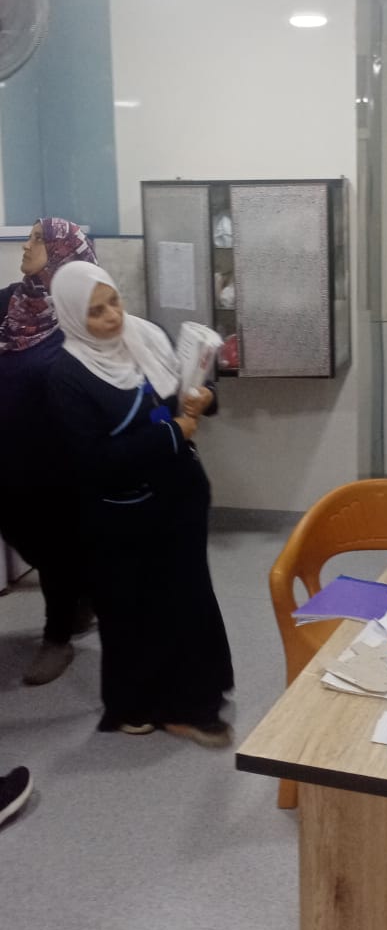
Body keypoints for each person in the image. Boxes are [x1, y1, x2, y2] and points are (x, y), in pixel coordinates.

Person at [48, 261, 234, 748]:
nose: (112, 316)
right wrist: (174, 432)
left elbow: (192, 391)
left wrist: (202, 399)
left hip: (181, 496)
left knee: (189, 596)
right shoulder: (66, 374)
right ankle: (154, 706)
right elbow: (93, 460)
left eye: (113, 301)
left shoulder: (146, 336)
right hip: (125, 515)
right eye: (95, 311)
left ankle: (197, 694)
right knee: (138, 611)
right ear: (72, 316)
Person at [0, 218, 98, 684]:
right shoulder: (8, 301)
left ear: (63, 252)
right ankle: (81, 591)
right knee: (20, 533)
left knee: (56, 544)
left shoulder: (81, 314)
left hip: (55, 458)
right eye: (30, 236)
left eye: (39, 239)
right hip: (7, 450)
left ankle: (58, 637)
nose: (27, 245)